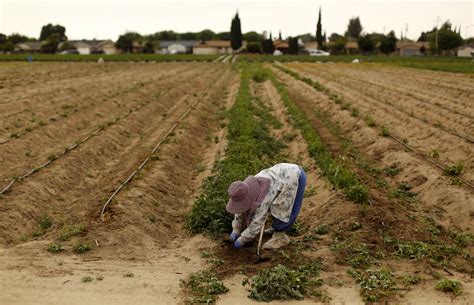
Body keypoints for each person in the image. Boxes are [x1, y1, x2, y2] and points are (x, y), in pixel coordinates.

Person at [226, 163, 307, 250]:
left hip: (294, 176)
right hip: (280, 174)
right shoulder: (243, 189)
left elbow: (257, 222)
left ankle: (280, 236)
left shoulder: (262, 199)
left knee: (284, 208)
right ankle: (275, 228)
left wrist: (242, 240)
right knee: (275, 206)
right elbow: (239, 210)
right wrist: (236, 229)